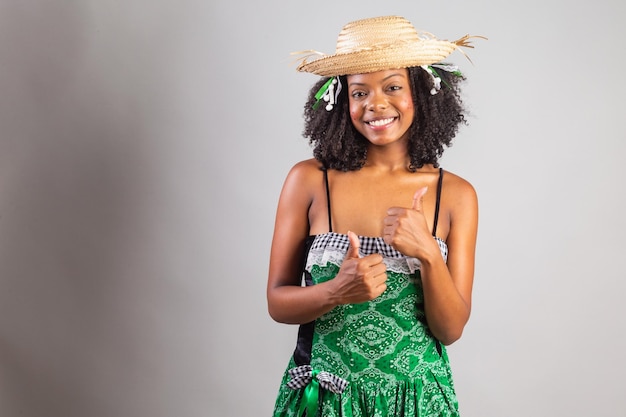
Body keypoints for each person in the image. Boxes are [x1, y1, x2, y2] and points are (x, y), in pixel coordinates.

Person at [267, 15, 482, 417]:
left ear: (420, 92)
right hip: (326, 400)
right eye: (359, 92)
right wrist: (336, 292)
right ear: (340, 100)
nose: (376, 104)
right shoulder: (310, 181)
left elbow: (450, 330)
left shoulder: (455, 196)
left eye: (393, 87)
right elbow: (278, 303)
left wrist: (428, 254)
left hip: (417, 402)